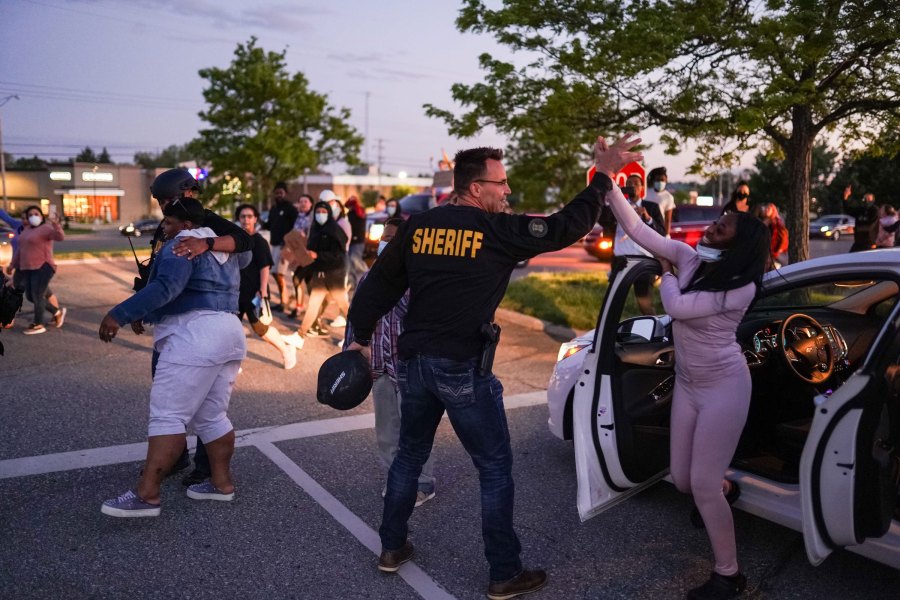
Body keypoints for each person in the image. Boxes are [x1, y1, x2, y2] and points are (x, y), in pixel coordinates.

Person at [346, 134, 641, 599]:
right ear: (476, 187)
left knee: (408, 456)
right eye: (501, 184)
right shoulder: (495, 230)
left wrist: (358, 340)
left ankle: (391, 547)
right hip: (462, 366)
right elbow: (564, 226)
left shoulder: (418, 227)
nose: (507, 192)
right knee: (495, 467)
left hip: (415, 366)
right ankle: (504, 573)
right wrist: (602, 177)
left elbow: (376, 289)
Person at [604, 148, 770, 600]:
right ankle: (721, 491)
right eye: (717, 221)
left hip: (724, 387)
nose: (713, 227)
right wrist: (607, 180)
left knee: (697, 483)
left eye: (722, 227)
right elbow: (638, 228)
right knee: (681, 479)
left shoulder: (742, 286)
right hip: (690, 385)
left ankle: (729, 575)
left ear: (738, 245)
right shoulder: (690, 258)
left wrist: (665, 276)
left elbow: (677, 307)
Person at [98, 197, 247, 517]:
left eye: (169, 221)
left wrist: (120, 313)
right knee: (212, 416)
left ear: (187, 225)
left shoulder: (181, 246)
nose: (163, 226)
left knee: (168, 415)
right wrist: (146, 311)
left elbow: (168, 287)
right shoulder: (224, 250)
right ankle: (221, 484)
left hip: (194, 335)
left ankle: (147, 495)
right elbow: (247, 253)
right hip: (230, 330)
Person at [142, 168, 253, 486]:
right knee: (171, 395)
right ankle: (175, 459)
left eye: (169, 199)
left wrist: (208, 243)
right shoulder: (170, 224)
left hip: (204, 323)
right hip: (174, 322)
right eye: (161, 202)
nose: (165, 207)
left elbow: (246, 242)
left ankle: (205, 469)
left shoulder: (207, 219)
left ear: (188, 193)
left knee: (205, 405)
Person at [342, 217, 436, 507]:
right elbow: (355, 317)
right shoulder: (368, 278)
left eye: (392, 238)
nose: (385, 242)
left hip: (411, 369)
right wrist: (351, 351)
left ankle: (422, 483)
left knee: (415, 431)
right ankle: (394, 478)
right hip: (379, 367)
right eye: (384, 237)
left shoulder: (420, 279)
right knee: (386, 430)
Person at [235, 204, 297, 369]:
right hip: (236, 291)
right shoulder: (237, 239)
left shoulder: (259, 241)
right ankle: (233, 363)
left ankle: (286, 350)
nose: (246, 219)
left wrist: (263, 290)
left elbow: (265, 267)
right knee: (232, 327)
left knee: (260, 328)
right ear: (238, 219)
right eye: (243, 216)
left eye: (249, 216)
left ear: (255, 219)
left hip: (254, 292)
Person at [598, 172, 666, 315]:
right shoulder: (616, 206)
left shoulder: (651, 207)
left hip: (644, 260)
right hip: (621, 259)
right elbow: (603, 219)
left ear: (642, 188)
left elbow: (661, 232)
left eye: (636, 183)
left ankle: (653, 332)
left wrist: (647, 218)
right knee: (613, 302)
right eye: (629, 184)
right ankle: (608, 333)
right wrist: (611, 200)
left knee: (645, 303)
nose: (632, 186)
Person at [284, 200, 351, 347]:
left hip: (334, 273)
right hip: (320, 273)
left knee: (344, 306)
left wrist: (318, 255)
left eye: (324, 212)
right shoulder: (315, 229)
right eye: (318, 212)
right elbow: (310, 247)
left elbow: (339, 254)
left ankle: (358, 337)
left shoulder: (334, 230)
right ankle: (300, 336)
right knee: (313, 304)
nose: (321, 215)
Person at [1, 207, 65, 330]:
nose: (32, 217)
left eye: (36, 214)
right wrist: (12, 264)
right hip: (27, 267)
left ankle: (38, 324)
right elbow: (21, 250)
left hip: (43, 267)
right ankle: (57, 312)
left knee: (37, 295)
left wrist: (56, 224)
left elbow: (60, 237)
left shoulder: (45, 228)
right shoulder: (26, 230)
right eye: (30, 215)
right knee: (32, 296)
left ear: (41, 215)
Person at [263, 182, 299, 312]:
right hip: (274, 244)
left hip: (285, 246)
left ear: (285, 193)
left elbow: (296, 227)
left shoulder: (290, 208)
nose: (278, 195)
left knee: (279, 273)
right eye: (276, 193)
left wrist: (288, 243)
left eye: (281, 192)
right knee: (275, 272)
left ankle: (285, 300)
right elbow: (269, 225)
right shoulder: (274, 209)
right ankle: (284, 298)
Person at [290, 194, 315, 318]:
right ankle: (303, 308)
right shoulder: (298, 217)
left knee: (298, 279)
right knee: (304, 281)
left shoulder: (313, 218)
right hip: (299, 253)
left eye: (306, 201)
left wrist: (304, 236)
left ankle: (311, 310)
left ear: (311, 203)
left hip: (310, 254)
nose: (303, 204)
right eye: (301, 201)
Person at [843, 186, 879, 252]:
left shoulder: (874, 210)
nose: (866, 201)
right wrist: (846, 197)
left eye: (869, 199)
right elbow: (848, 210)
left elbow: (870, 226)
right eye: (865, 199)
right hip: (858, 241)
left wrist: (854, 229)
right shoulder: (861, 209)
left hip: (869, 241)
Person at [753, 203, 789, 269]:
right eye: (766, 208)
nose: (766, 210)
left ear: (773, 210)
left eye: (769, 209)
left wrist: (776, 251)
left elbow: (782, 238)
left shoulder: (776, 223)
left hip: (773, 254)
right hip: (765, 252)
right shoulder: (764, 221)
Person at [344, 195, 369, 291]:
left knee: (355, 261)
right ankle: (356, 283)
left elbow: (355, 228)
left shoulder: (355, 213)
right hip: (356, 241)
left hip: (356, 241)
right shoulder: (357, 213)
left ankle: (365, 279)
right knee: (352, 262)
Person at [646, 166, 676, 235]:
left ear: (666, 180)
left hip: (658, 229)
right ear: (653, 180)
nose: (660, 182)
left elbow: (668, 219)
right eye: (658, 180)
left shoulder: (668, 197)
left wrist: (667, 235)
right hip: (645, 227)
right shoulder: (646, 192)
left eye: (662, 180)